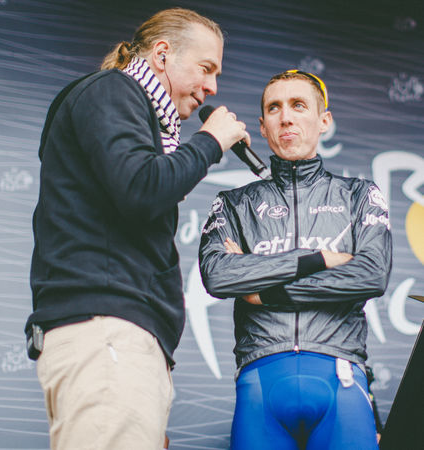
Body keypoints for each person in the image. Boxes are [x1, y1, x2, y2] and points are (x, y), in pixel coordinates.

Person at [25, 7, 250, 450]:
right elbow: (142, 188)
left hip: (117, 342)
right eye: (206, 68)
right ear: (162, 55)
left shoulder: (138, 116)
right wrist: (210, 141)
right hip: (107, 333)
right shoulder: (113, 91)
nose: (212, 87)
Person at [199, 70, 392, 449]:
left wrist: (265, 292)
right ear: (262, 126)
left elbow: (371, 274)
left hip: (340, 377)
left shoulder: (359, 195)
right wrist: (317, 259)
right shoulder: (234, 203)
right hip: (260, 382)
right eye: (274, 108)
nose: (286, 117)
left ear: (324, 120)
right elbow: (219, 276)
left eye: (298, 105)